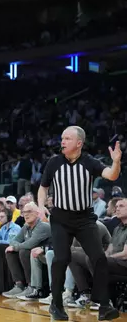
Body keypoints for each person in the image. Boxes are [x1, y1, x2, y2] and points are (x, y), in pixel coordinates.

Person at [38, 125, 120, 321]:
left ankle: (103, 305)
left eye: (67, 138)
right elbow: (43, 188)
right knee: (61, 259)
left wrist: (116, 162)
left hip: (85, 218)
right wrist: (41, 206)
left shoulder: (89, 162)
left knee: (99, 258)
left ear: (79, 143)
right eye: (62, 138)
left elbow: (111, 175)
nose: (62, 142)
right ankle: (56, 304)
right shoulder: (54, 163)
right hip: (60, 218)